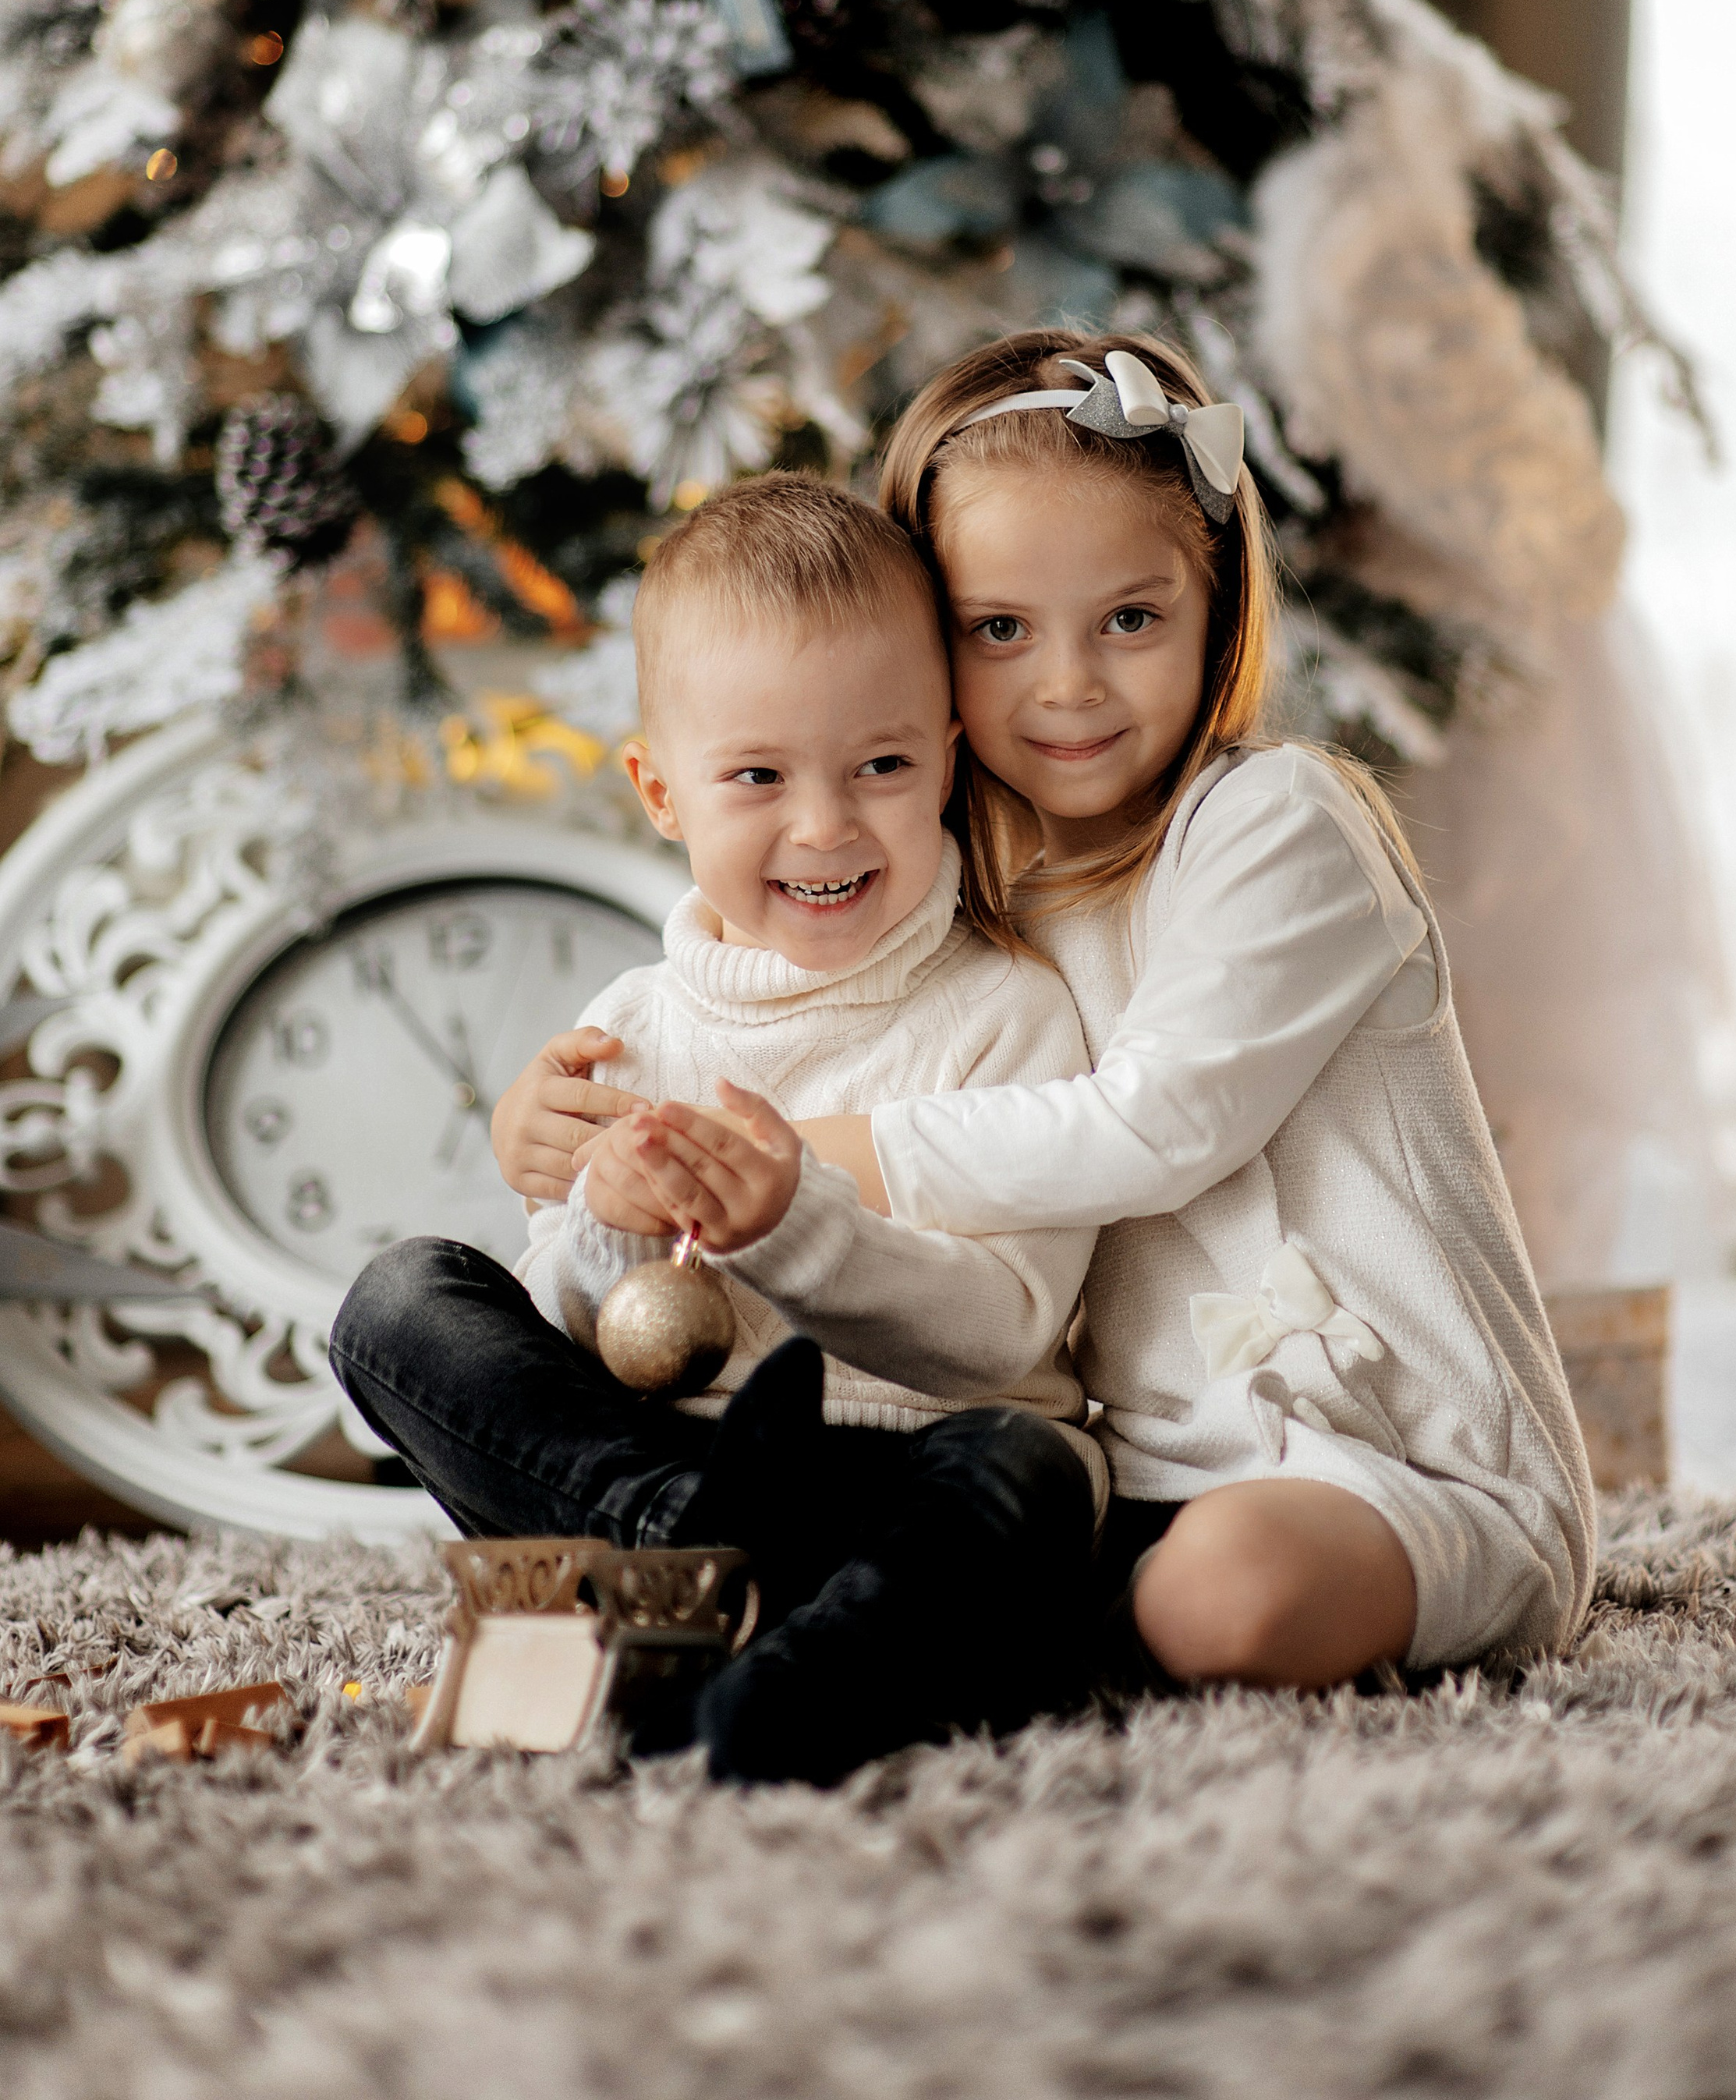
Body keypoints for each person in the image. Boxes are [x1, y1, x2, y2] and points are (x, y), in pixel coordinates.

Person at [498, 333, 1596, 1695]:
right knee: (440, 1313)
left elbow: (1160, 1124)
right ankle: (826, 1601)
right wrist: (577, 1127)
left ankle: (888, 1628)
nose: (1066, 686)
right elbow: (761, 993)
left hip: (1405, 1465)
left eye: (1129, 620)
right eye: (999, 631)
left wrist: (759, 1153)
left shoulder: (1274, 825)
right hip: (1129, 1475)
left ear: (1216, 614)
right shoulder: (970, 872)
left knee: (1220, 1602)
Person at [331, 475, 1101, 1787]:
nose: (824, 823)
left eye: (883, 765)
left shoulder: (1005, 1016)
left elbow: (1007, 1332)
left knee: (1032, 1470)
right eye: (757, 775)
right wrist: (603, 1227)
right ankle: (686, 1547)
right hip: (661, 1466)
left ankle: (787, 1677)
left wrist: (800, 1231)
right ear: (660, 790)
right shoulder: (627, 1031)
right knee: (400, 1302)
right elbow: (577, 1346)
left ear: (948, 763)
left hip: (901, 1466)